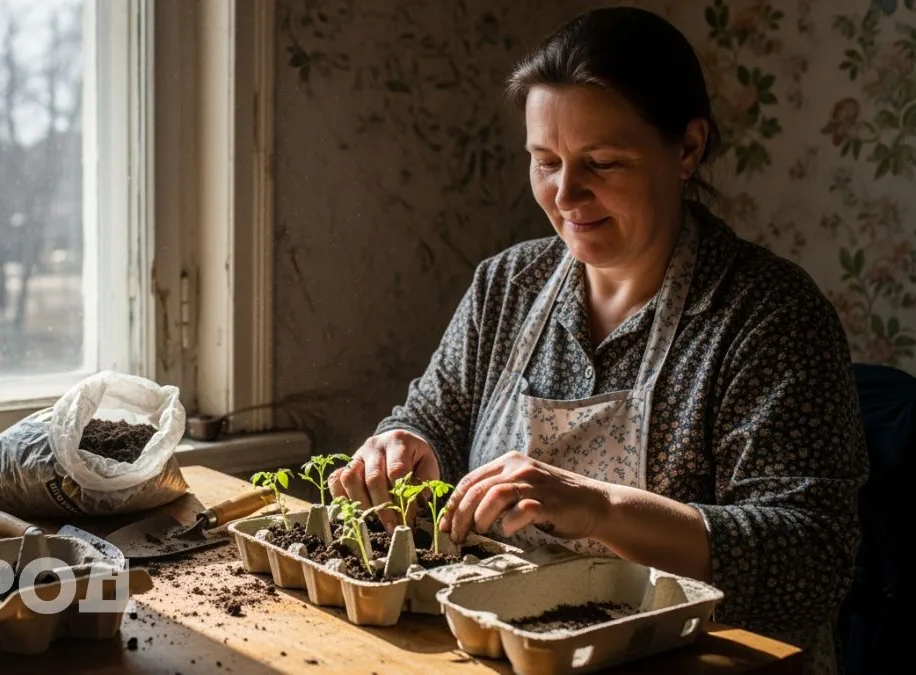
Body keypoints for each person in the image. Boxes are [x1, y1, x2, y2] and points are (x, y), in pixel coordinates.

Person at [328, 7, 867, 674]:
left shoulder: (767, 317)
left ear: (688, 148)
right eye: (545, 162)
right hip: (513, 650)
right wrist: (405, 444)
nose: (566, 194)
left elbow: (811, 560)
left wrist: (600, 507)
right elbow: (434, 419)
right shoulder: (507, 286)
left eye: (602, 163)